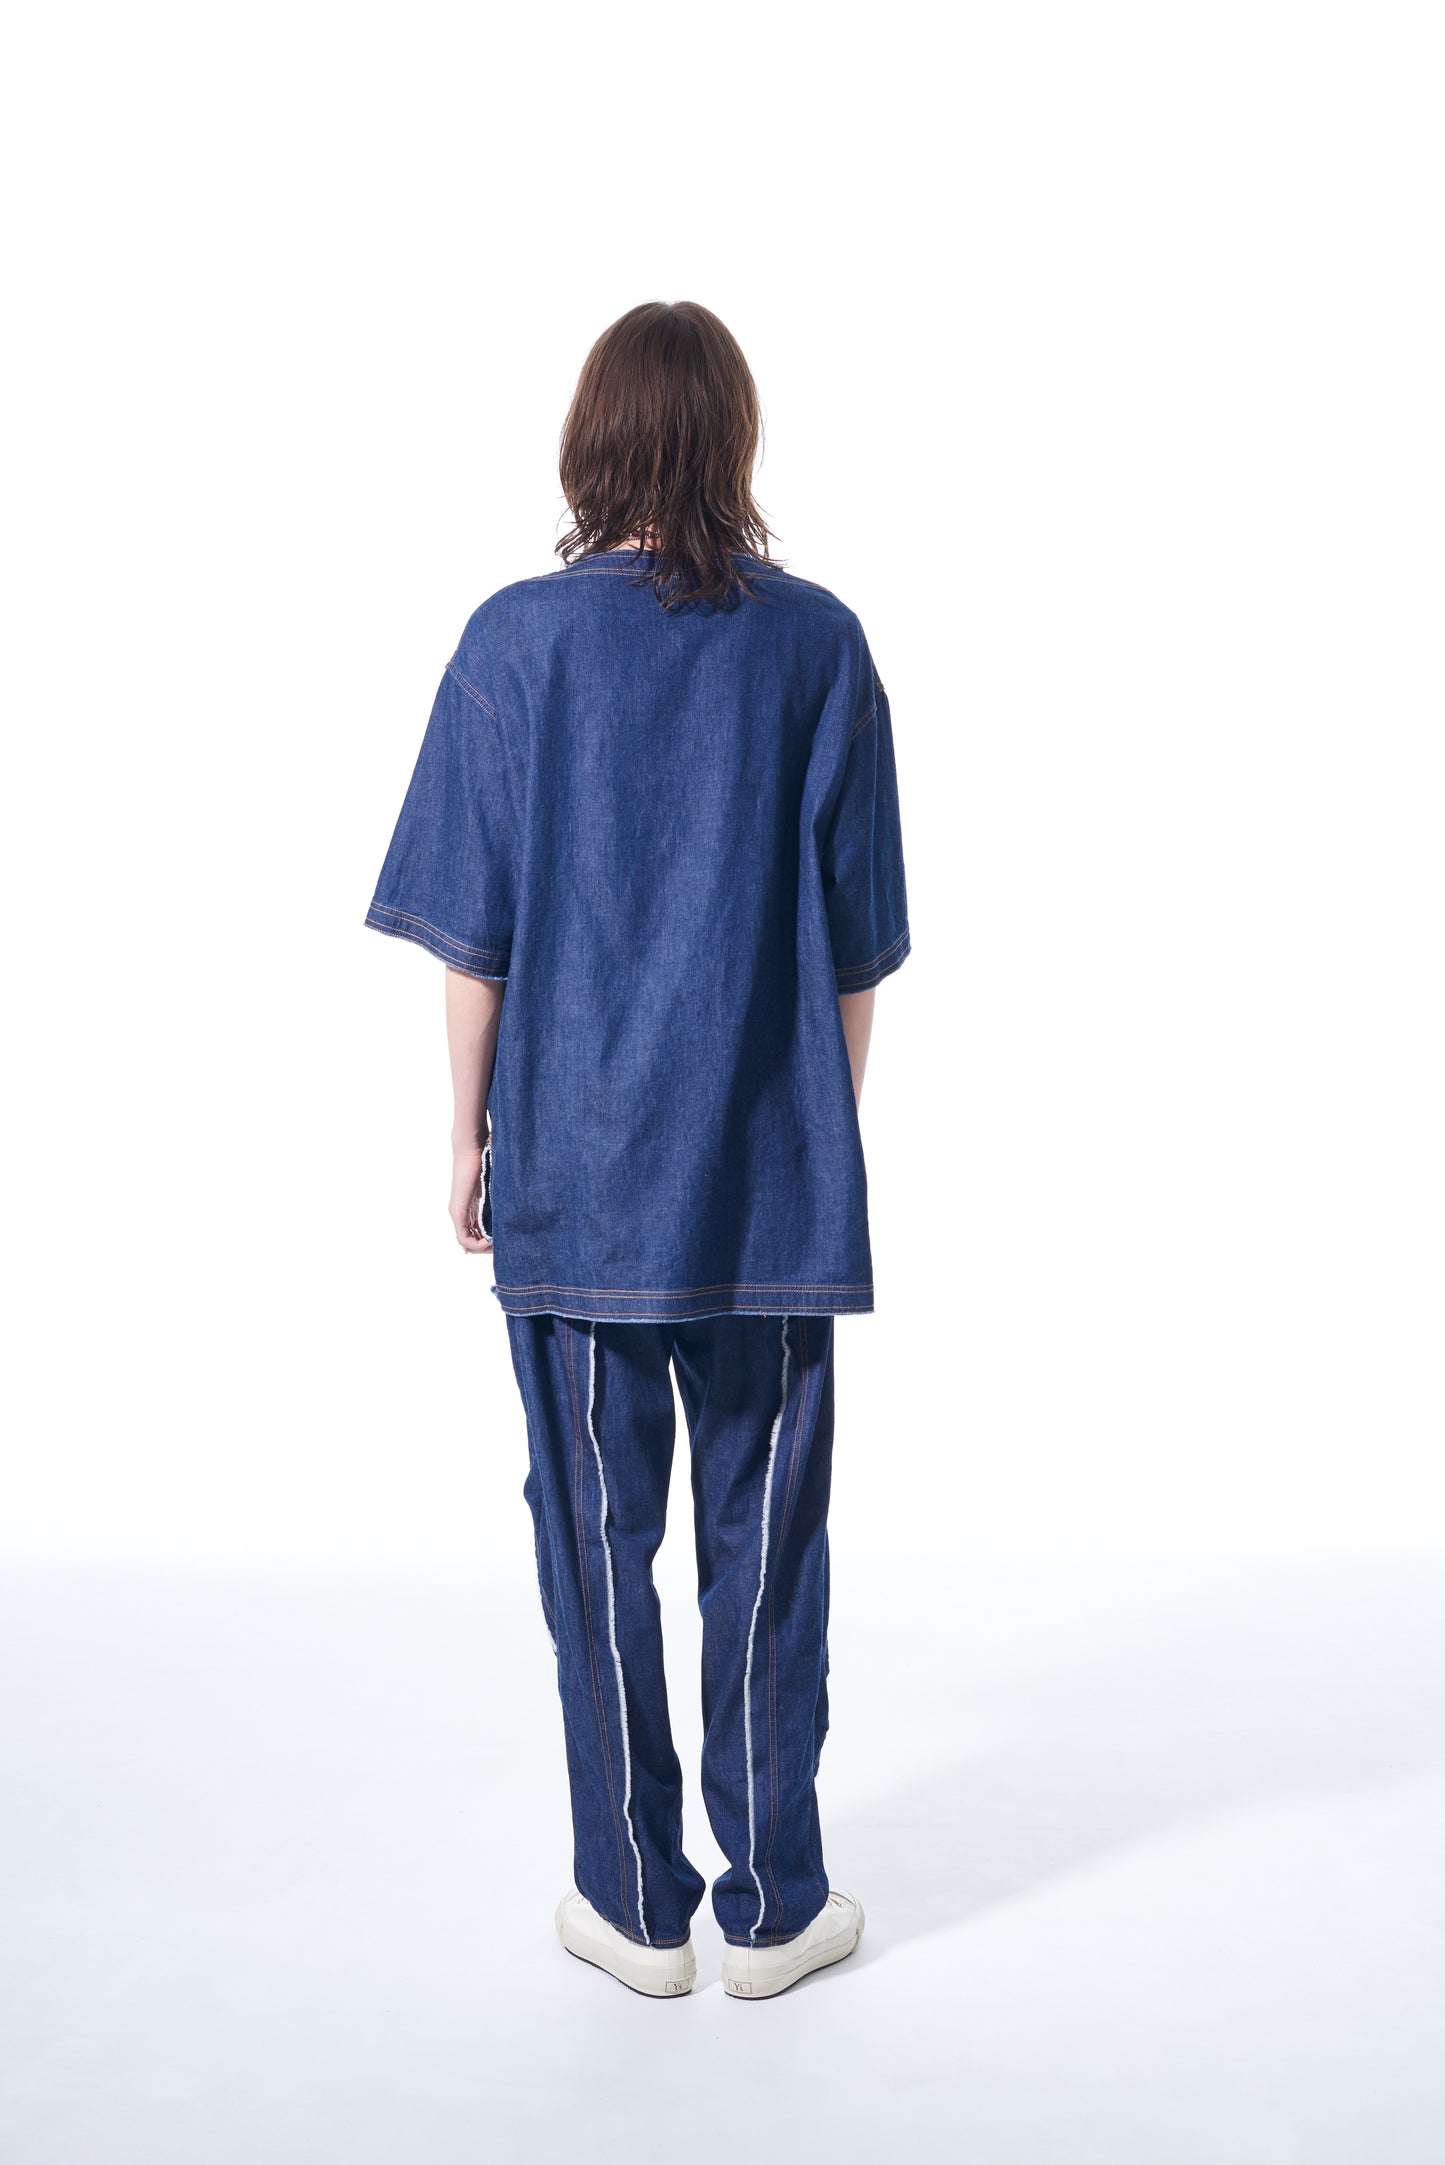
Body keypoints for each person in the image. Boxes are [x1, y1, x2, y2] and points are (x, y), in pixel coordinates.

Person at [366, 301, 910, 1999]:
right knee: (766, 1545)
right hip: (767, 1190)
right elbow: (855, 958)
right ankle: (773, 1910)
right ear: (731, 439)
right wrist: (811, 1139)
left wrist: (464, 1133)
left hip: (578, 1179)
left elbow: (475, 944)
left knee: (596, 1541)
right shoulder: (817, 647)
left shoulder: (512, 644)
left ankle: (630, 1899)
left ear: (589, 441)